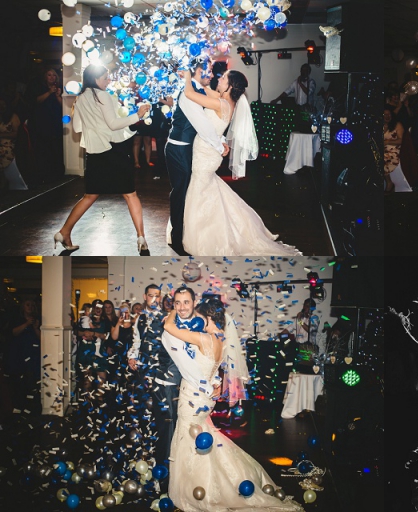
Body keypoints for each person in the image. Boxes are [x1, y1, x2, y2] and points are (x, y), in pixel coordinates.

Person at [162, 299, 304, 511]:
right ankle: (223, 479)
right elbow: (211, 369)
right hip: (205, 398)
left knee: (188, 439)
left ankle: (196, 491)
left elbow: (168, 327)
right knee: (203, 438)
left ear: (208, 317)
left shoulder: (204, 338)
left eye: (200, 316)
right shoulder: (221, 340)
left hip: (193, 399)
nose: (197, 319)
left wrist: (174, 309)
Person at [178, 69, 302, 255]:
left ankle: (205, 237)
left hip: (206, 154)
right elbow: (203, 89)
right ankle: (226, 226)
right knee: (208, 189)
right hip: (208, 151)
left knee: (199, 190)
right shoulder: (227, 102)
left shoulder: (221, 104)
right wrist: (198, 79)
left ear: (230, 86)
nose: (218, 80)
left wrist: (188, 77)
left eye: (222, 78)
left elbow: (189, 94)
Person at [56, 64, 151, 253]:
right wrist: (137, 115)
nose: (108, 81)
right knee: (130, 194)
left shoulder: (80, 98)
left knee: (89, 196)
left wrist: (94, 123)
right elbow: (114, 124)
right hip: (114, 150)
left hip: (94, 153)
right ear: (96, 78)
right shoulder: (103, 96)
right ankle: (141, 239)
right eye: (105, 77)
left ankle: (64, 232)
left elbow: (77, 128)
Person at [165, 58, 229, 256]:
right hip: (178, 149)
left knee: (186, 193)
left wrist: (222, 139)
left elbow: (213, 120)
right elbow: (202, 124)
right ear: (195, 71)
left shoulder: (197, 91)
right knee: (180, 193)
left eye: (210, 71)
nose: (210, 74)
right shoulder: (188, 94)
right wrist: (219, 146)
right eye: (206, 70)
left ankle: (184, 235)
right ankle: (177, 240)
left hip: (187, 149)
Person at [126, 284, 178, 486]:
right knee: (142, 413)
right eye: (151, 296)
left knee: (160, 415)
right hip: (142, 373)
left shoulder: (167, 318)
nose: (155, 300)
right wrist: (132, 357)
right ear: (144, 297)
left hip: (162, 374)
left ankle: (161, 460)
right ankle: (143, 457)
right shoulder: (139, 319)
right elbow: (136, 343)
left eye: (158, 296)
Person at [384, 309, 418, 512]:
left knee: (395, 456)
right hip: (407, 405)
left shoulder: (402, 351)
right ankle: (404, 502)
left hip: (399, 405)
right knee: (400, 457)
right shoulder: (413, 349)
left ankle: (397, 501)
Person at [5, 299, 41, 415]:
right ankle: (18, 406)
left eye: (32, 305)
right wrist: (26, 324)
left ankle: (31, 408)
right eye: (28, 305)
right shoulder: (17, 319)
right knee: (18, 381)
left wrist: (35, 327)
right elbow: (13, 333)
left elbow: (41, 339)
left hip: (33, 354)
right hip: (19, 354)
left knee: (31, 380)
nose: (30, 307)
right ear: (23, 307)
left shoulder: (37, 320)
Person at [29, 68, 64, 182]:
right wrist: (49, 92)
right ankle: (45, 174)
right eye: (49, 75)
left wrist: (58, 95)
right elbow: (37, 101)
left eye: (54, 75)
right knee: (44, 149)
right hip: (43, 122)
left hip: (56, 122)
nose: (52, 77)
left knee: (56, 148)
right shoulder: (40, 88)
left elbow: (62, 107)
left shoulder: (59, 88)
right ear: (45, 77)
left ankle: (57, 174)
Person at [0, 93, 28, 190]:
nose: (2, 107)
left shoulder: (13, 116)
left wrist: (2, 135)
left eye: (3, 105)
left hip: (10, 143)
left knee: (3, 151)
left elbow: (17, 133)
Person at [383, 106, 404, 194]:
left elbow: (401, 140)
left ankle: (389, 183)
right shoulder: (381, 125)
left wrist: (388, 141)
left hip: (394, 150)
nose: (387, 116)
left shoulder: (397, 125)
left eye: (389, 114)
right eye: (384, 114)